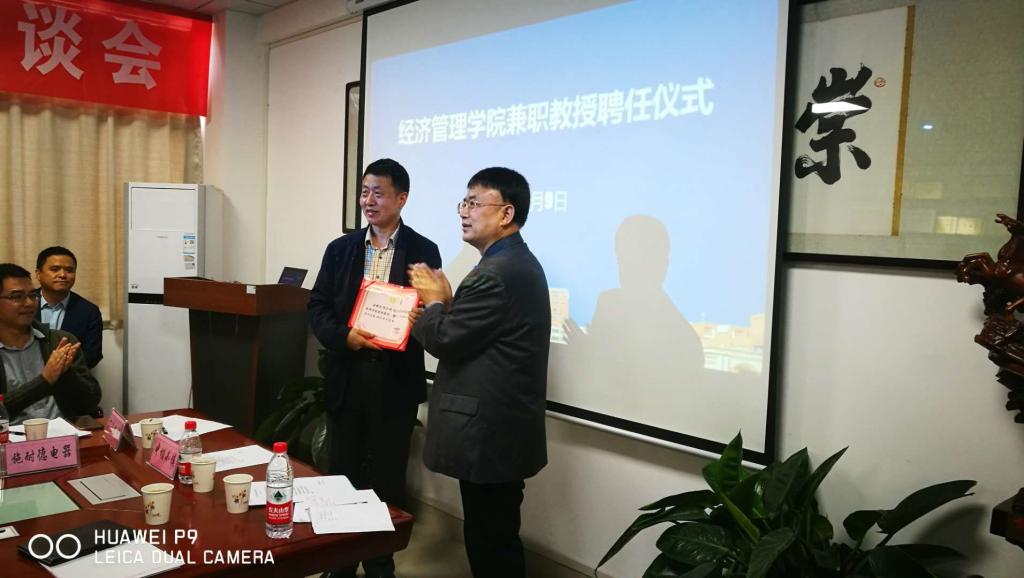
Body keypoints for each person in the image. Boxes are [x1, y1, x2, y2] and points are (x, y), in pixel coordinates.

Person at [408, 167, 550, 578]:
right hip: (500, 431)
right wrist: (445, 305)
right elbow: (476, 333)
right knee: (494, 534)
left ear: (506, 213)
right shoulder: (510, 263)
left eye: (474, 203)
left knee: (491, 542)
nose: (464, 212)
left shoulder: (496, 272)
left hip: (490, 434)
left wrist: (434, 304)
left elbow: (445, 339)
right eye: (464, 202)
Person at [308, 158, 441, 578]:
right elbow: (318, 306)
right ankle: (340, 562)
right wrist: (343, 336)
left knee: (387, 479)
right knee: (341, 476)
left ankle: (381, 563)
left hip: (394, 379)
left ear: (402, 198)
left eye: (378, 193)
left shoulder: (423, 250)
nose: (368, 200)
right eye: (364, 191)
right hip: (348, 374)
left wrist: (421, 315)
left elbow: (433, 310)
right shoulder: (341, 249)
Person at [0, 263, 101, 424]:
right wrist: (45, 380)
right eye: (16, 296)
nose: (29, 303)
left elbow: (90, 402)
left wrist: (66, 374)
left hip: (63, 433)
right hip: (9, 436)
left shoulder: (60, 342)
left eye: (33, 295)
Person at [34, 246, 103, 369]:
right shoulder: (22, 304)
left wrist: (60, 369)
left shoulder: (89, 311)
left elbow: (93, 355)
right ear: (38, 274)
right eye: (55, 269)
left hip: (70, 377)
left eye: (69, 270)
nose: (62, 275)